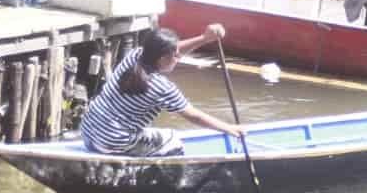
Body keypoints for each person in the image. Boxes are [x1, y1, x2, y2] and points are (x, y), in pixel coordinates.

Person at [80, 24, 244, 157]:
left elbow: (171, 49)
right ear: (162, 58)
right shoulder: (162, 87)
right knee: (173, 140)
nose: (179, 57)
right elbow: (194, 116)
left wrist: (204, 38)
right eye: (175, 55)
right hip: (110, 142)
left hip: (88, 132)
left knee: (145, 130)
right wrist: (230, 129)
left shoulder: (134, 56)